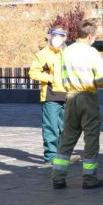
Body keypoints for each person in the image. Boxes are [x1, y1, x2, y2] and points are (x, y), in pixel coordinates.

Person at [51, 19, 103, 190]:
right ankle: (89, 178)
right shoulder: (91, 52)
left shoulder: (66, 52)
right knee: (91, 138)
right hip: (87, 96)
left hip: (70, 96)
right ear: (91, 36)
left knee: (68, 138)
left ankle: (58, 177)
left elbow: (60, 77)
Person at [28, 26, 68, 165]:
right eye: (55, 35)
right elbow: (33, 73)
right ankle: (51, 157)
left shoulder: (67, 53)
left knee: (67, 128)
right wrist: (51, 78)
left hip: (68, 94)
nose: (58, 38)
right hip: (50, 96)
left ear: (65, 38)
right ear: (50, 36)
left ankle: (63, 155)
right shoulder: (43, 54)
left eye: (61, 35)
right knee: (51, 127)